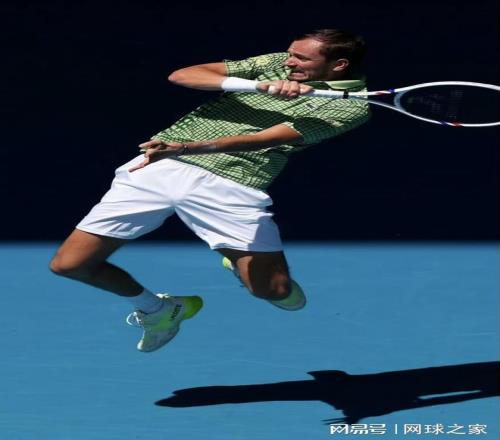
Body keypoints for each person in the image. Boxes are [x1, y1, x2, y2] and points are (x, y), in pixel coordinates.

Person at [50, 29, 370, 353]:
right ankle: (159, 310)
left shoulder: (353, 107)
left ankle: (237, 261)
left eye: (301, 58)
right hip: (158, 166)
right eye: (291, 53)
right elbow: (182, 75)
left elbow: (263, 139)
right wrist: (257, 85)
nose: (290, 62)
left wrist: (186, 148)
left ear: (339, 65)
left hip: (231, 183)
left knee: (274, 291)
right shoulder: (275, 63)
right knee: (71, 264)